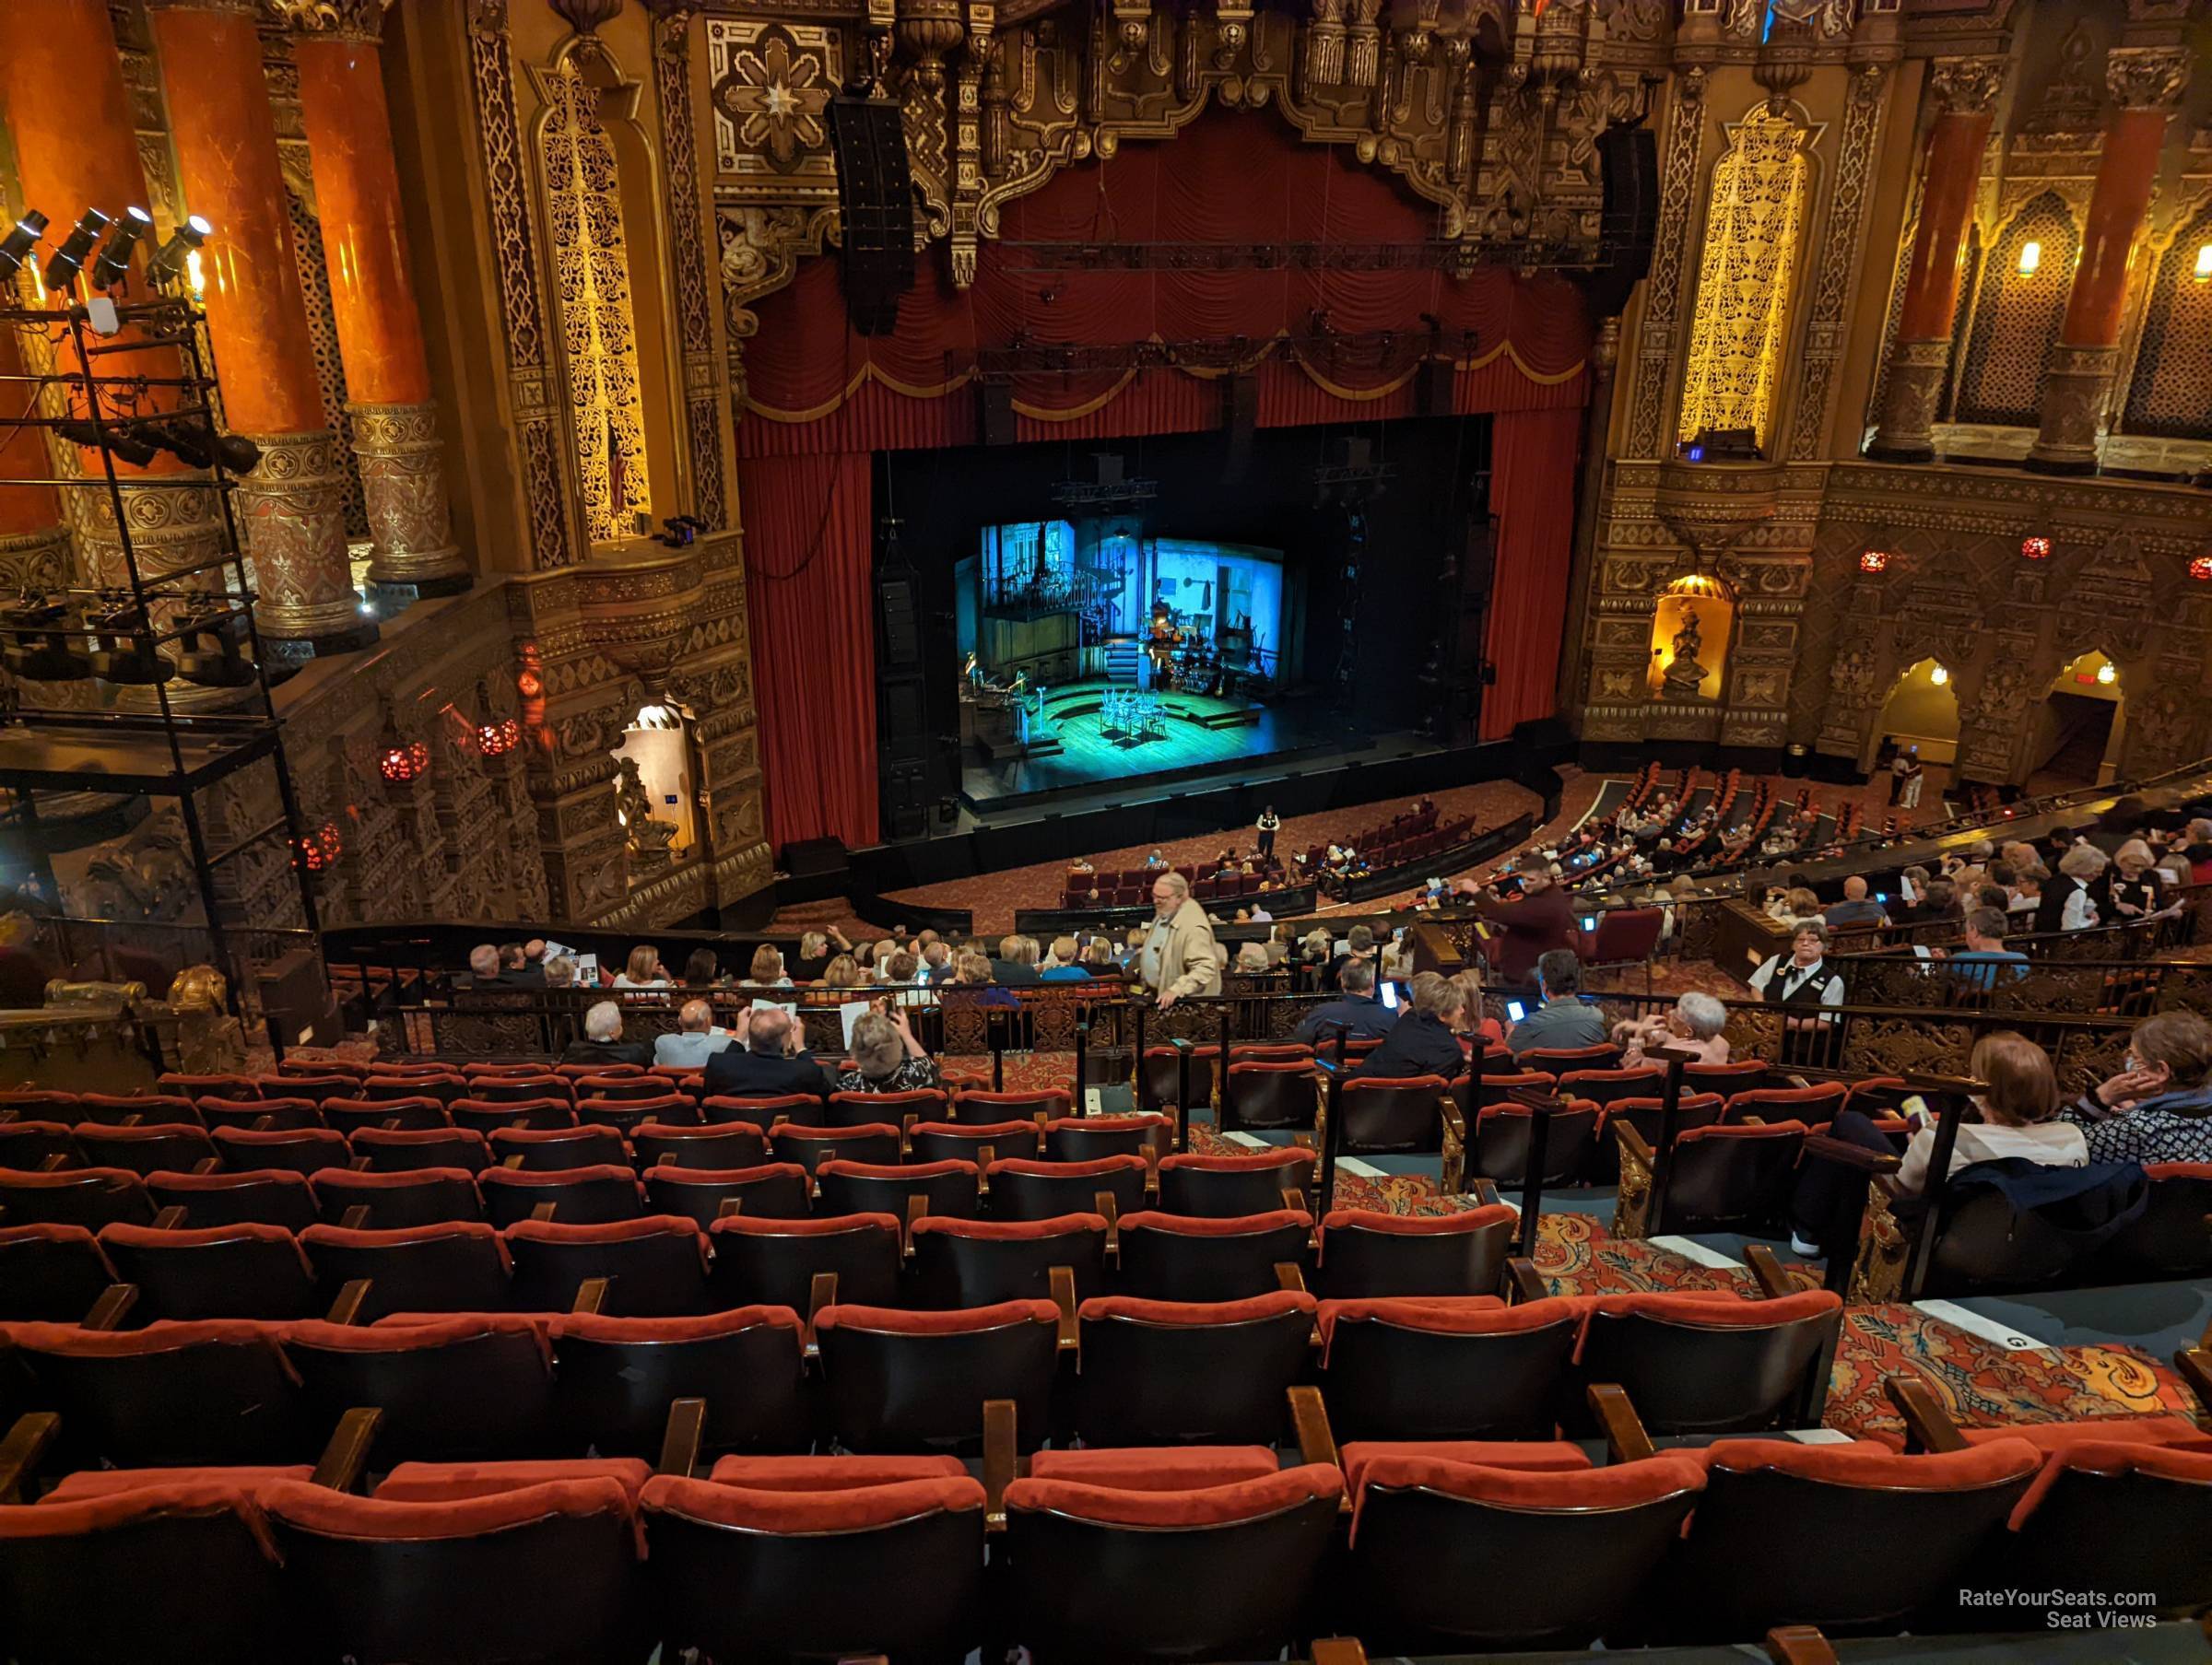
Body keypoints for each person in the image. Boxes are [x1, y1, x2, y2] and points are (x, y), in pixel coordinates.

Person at [1790, 1031, 2086, 1257]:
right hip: (2023, 1244)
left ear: (1981, 1088)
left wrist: (1920, 1144)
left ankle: (1807, 1228)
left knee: (1851, 1123)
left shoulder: (1943, 1138)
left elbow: (1899, 1189)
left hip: (1942, 1238)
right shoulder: (2072, 1137)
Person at [2060, 1009, 2212, 1165]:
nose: (2129, 1061)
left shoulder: (2135, 1130)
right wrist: (2136, 1112)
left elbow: (2059, 1149)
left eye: (2135, 1057)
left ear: (2161, 1071)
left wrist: (2101, 1098)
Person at [1453, 854, 1574, 987]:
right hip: (1527, 966)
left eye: (1531, 879)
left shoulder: (1546, 904)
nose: (1525, 884)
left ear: (1546, 878)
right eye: (1523, 879)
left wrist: (1474, 890)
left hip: (1526, 973)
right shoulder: (1546, 895)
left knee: (1525, 1005)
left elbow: (1500, 913)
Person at [1351, 971, 1467, 1081]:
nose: (1462, 1011)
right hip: (1393, 1098)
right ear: (1442, 1014)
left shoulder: (1408, 1018)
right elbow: (1429, 1091)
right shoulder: (1449, 1050)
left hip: (1355, 1090)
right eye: (1458, 1007)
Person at [701, 1005, 828, 1101]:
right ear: (785, 1039)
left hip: (732, 1134)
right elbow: (822, 1096)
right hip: (783, 1134)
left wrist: (739, 1037)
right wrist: (800, 1047)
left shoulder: (718, 1064)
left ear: (750, 1036)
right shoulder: (805, 1071)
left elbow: (724, 1067)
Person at [1139, 872, 1225, 1011]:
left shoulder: (1194, 927)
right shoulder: (1166, 912)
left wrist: (1177, 990)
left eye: (1162, 898)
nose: (1156, 901)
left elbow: (1205, 967)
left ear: (1180, 897)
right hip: (1161, 1001)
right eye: (1154, 896)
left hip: (1184, 1010)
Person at [1504, 949, 1609, 1057]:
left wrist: (1510, 1033)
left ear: (1544, 986)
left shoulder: (1530, 1025)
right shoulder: (1598, 1018)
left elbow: (1508, 1057)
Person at [1747, 921, 1843, 1025]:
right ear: (1793, 944)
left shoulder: (1833, 981)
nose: (1805, 943)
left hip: (1797, 1037)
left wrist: (1792, 1024)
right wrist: (1761, 1006)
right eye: (1801, 939)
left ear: (1824, 946)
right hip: (1762, 1028)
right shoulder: (1778, 960)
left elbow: (1828, 1022)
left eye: (1813, 940)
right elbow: (1756, 985)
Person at [1295, 958, 1397, 1047]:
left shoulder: (1322, 1012)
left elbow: (1301, 1044)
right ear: (1372, 981)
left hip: (1328, 1068)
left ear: (1342, 982)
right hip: (1374, 1069)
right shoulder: (1391, 1016)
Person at [837, 1006, 939, 1093]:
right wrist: (907, 1035)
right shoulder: (920, 1074)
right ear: (899, 1048)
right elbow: (927, 1063)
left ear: (854, 1055)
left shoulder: (846, 1086)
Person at [1614, 991, 1730, 1067]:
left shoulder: (1664, 1057)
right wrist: (1644, 1028)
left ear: (1689, 1031)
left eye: (1676, 1014)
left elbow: (1631, 1071)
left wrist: (1638, 1036)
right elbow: (1682, 1042)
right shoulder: (1723, 1044)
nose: (1670, 1012)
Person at [1940, 907, 2028, 991]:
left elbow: (1941, 994)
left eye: (1966, 931)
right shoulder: (2022, 959)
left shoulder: (1958, 960)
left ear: (1973, 930)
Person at [559, 1000, 653, 1066]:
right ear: (612, 1033)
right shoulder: (635, 1052)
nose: (622, 1027)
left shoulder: (574, 1051)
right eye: (620, 1025)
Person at [2041, 843, 2106, 932]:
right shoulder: (2077, 892)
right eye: (2097, 871)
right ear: (2084, 870)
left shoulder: (2055, 880)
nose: (2100, 875)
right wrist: (2091, 923)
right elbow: (2071, 930)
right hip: (2057, 941)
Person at [653, 999, 735, 1068]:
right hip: (711, 1086)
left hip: (674, 1086)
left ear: (679, 1021)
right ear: (708, 1021)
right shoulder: (725, 1043)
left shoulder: (662, 1043)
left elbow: (657, 1065)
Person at [1822, 875, 1888, 932]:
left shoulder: (1831, 912)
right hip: (1872, 944)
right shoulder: (1878, 908)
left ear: (1847, 892)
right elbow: (1887, 926)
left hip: (1842, 945)